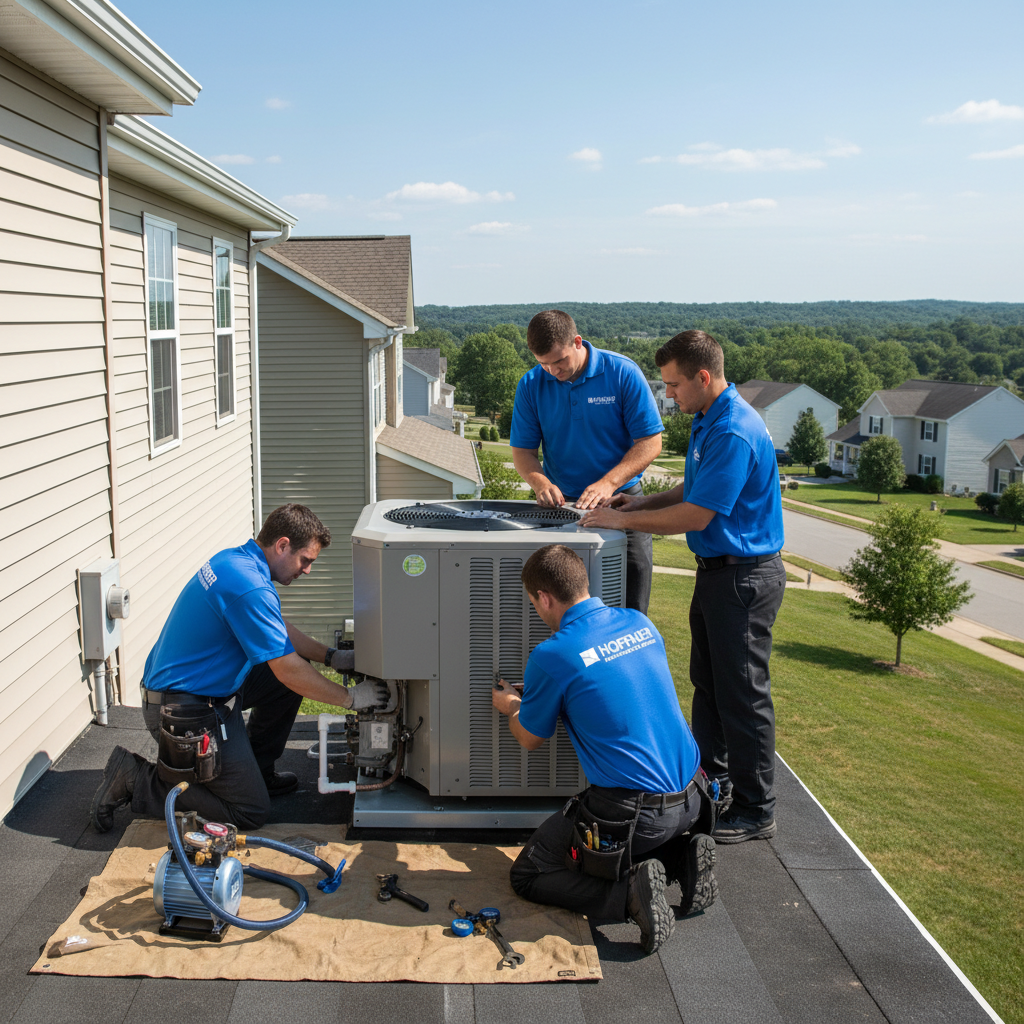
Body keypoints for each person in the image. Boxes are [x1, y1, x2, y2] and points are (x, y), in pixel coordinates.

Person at [579, 330, 786, 844]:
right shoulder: (708, 419)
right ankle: (712, 781)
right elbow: (693, 488)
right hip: (718, 573)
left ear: (702, 376)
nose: (667, 394)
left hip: (744, 577)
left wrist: (624, 525)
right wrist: (638, 503)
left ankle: (757, 809)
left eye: (672, 385)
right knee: (709, 685)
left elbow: (696, 514)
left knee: (742, 695)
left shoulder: (735, 429)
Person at [91, 504, 387, 833]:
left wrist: (331, 656)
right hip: (182, 711)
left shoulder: (235, 561)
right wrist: (350, 698)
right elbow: (288, 669)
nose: (307, 571)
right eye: (306, 560)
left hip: (194, 691)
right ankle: (135, 778)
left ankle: (256, 772)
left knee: (282, 682)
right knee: (249, 810)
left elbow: (277, 630)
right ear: (283, 545)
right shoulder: (251, 587)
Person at [492, 544, 717, 955]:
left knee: (529, 872)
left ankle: (628, 894)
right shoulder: (639, 621)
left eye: (533, 604)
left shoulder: (551, 655)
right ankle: (683, 858)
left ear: (544, 597)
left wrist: (512, 707)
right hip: (695, 797)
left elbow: (528, 738)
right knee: (642, 827)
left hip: (637, 814)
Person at [510, 309, 663, 613]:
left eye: (559, 361)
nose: (553, 371)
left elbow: (650, 442)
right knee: (559, 604)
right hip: (560, 506)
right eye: (544, 364)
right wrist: (540, 482)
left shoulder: (622, 372)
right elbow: (523, 452)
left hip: (622, 502)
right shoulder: (530, 385)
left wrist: (609, 483)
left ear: (577, 342)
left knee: (631, 603)